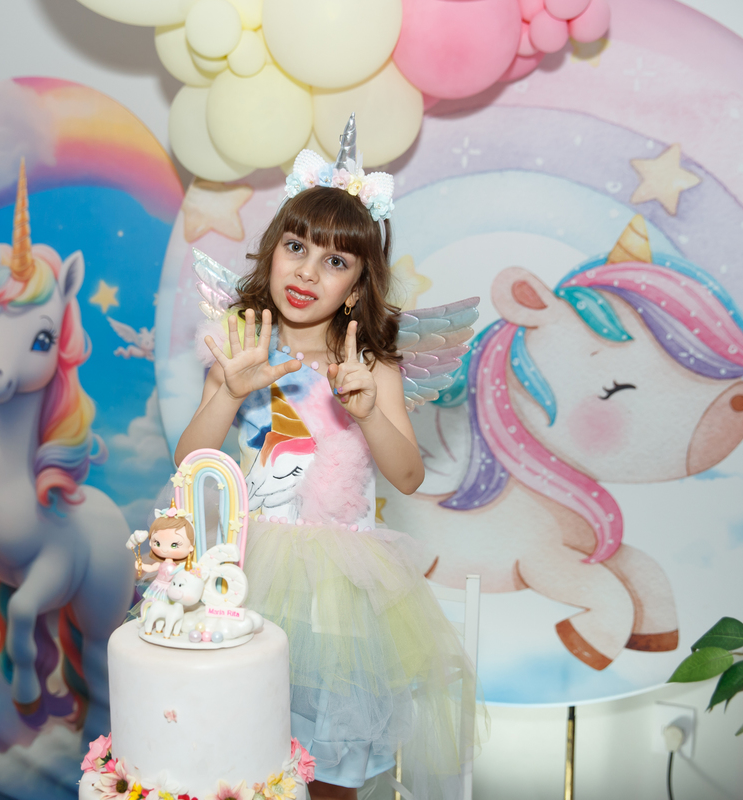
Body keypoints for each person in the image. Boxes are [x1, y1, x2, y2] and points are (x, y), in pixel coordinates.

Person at [175, 129, 483, 800]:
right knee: (237, 755)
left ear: (356, 286)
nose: (308, 272)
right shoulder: (241, 344)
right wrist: (229, 391)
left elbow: (408, 477)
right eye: (296, 247)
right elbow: (191, 465)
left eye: (335, 260)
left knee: (330, 766)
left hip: (340, 593)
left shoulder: (371, 362)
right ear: (271, 252)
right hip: (247, 577)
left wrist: (368, 410)